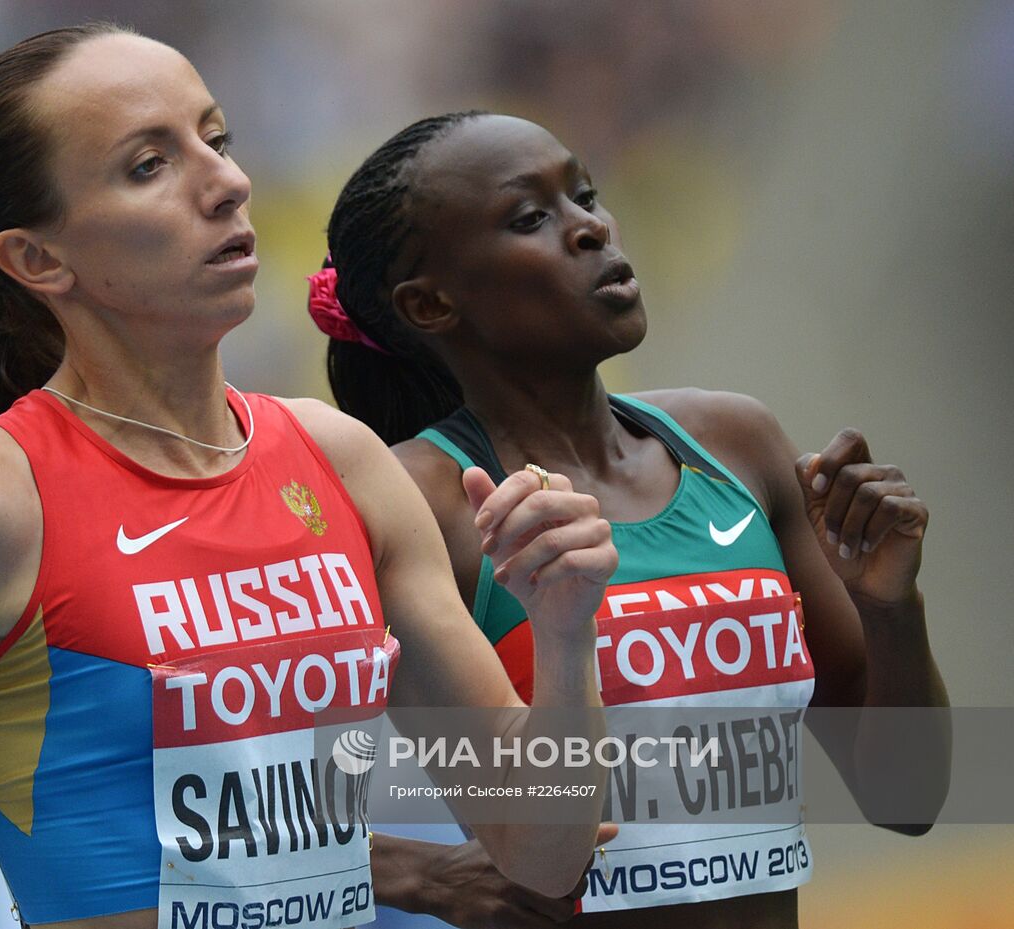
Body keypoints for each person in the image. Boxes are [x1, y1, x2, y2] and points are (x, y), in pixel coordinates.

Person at [0, 29, 620, 929]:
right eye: (148, 165)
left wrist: (564, 628)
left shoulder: (338, 461)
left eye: (215, 138)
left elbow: (541, 849)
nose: (226, 184)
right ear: (37, 257)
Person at [310, 111, 950, 927]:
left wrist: (891, 606)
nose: (590, 228)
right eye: (532, 217)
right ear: (431, 303)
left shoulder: (736, 446)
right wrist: (413, 872)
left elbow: (907, 797)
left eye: (584, 194)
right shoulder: (414, 501)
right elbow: (242, 785)